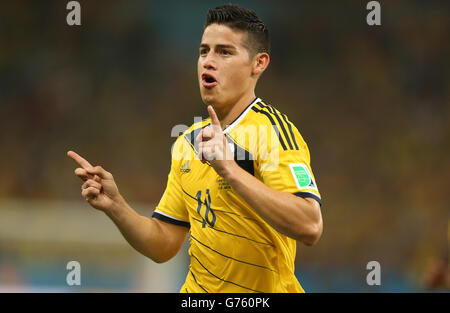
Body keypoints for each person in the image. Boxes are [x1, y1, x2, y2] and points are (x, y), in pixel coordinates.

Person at [68, 4, 323, 293]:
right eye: (204, 51)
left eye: (224, 52)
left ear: (259, 63)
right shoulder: (188, 142)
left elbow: (310, 225)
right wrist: (116, 207)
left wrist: (230, 170)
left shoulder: (273, 132)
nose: (208, 61)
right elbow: (164, 243)